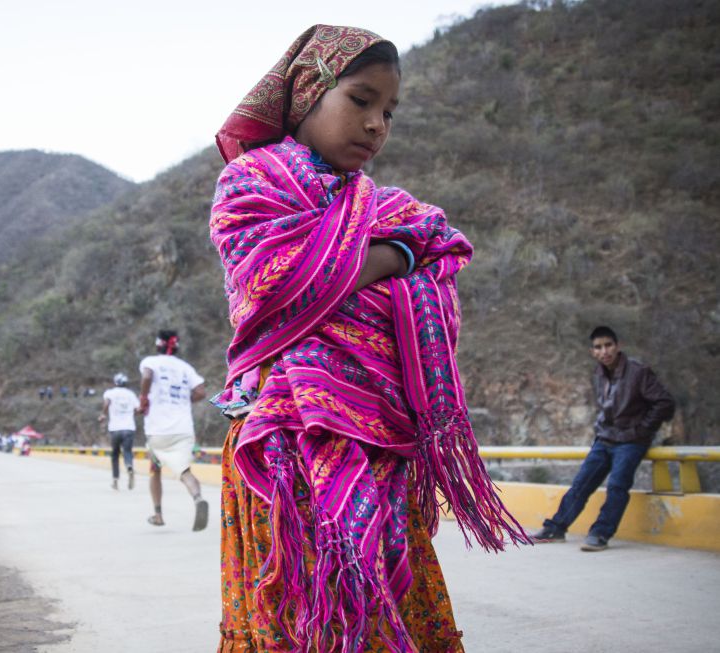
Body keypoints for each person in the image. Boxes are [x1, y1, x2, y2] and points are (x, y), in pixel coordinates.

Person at [210, 24, 529, 652]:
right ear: (308, 93)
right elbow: (276, 286)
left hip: (381, 445)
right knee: (301, 618)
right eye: (360, 100)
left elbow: (441, 263)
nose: (377, 124)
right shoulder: (252, 186)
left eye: (388, 111)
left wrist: (381, 256)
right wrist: (392, 259)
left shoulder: (385, 209)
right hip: (285, 451)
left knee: (391, 613)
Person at [532, 326, 675, 551]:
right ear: (593, 352)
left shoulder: (638, 371)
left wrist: (642, 430)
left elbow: (665, 403)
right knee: (581, 484)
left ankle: (600, 534)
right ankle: (555, 528)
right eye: (598, 347)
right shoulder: (599, 373)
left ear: (617, 347)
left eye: (608, 345)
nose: (604, 351)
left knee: (617, 486)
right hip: (605, 438)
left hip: (630, 440)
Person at [139, 329, 208, 530]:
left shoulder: (150, 362)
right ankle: (197, 498)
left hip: (158, 430)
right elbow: (201, 391)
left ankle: (158, 514)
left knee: (155, 470)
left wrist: (144, 401)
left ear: (157, 345)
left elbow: (146, 376)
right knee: (184, 471)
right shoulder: (185, 367)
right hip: (184, 429)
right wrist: (184, 400)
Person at [99, 372, 139, 490]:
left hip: (115, 428)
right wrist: (131, 414)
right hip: (129, 427)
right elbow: (137, 409)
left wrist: (103, 415)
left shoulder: (110, 393)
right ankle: (129, 466)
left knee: (115, 454)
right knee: (127, 451)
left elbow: (107, 403)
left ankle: (115, 480)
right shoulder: (131, 394)